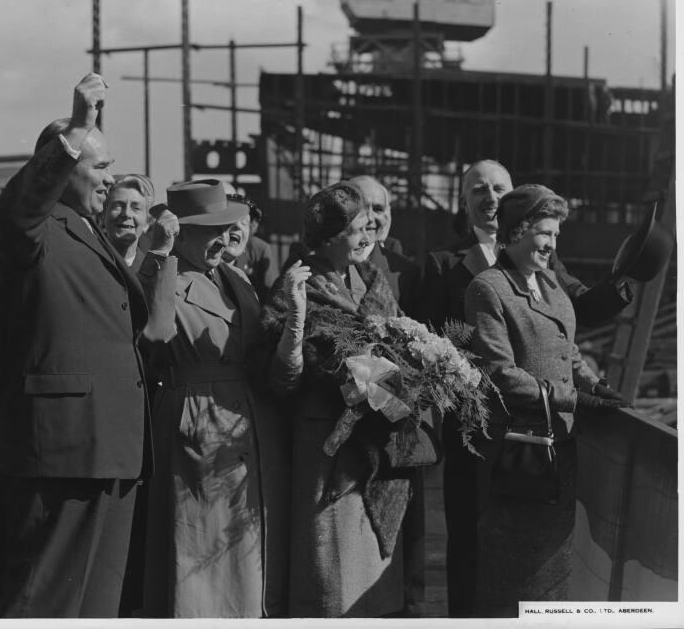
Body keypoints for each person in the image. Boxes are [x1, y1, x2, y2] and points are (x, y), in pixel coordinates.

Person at [414, 159, 633, 617]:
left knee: (545, 567)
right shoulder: (475, 280)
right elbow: (490, 367)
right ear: (515, 230)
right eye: (544, 235)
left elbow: (569, 341)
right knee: (488, 558)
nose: (552, 245)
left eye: (556, 237)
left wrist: (594, 384)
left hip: (554, 442)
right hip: (498, 441)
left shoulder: (549, 277)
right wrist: (577, 398)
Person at [0, 73, 151, 617]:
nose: (111, 179)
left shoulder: (84, 228)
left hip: (106, 447)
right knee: (45, 601)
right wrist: (77, 128)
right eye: (99, 166)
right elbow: (23, 201)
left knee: (94, 602)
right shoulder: (29, 226)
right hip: (61, 450)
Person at [138, 179, 299, 618]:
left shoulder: (236, 276)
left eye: (226, 227)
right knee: (200, 555)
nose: (221, 238)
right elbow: (155, 333)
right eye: (208, 230)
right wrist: (163, 254)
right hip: (197, 421)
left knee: (246, 553)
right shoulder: (163, 275)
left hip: (247, 425)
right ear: (180, 232)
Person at [262, 181, 419, 618]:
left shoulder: (372, 279)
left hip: (377, 447)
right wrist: (295, 321)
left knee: (374, 580)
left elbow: (402, 341)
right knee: (331, 575)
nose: (368, 235)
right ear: (329, 236)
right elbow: (281, 379)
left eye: (371, 226)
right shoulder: (299, 285)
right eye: (357, 229)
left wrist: (409, 380)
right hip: (328, 456)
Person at [347, 175, 420, 317]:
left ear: (387, 215)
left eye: (378, 209)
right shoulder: (317, 263)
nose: (370, 217)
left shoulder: (406, 274)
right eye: (361, 207)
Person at [101, 173, 156, 271]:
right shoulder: (86, 263)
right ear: (103, 213)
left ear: (147, 220)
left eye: (136, 208)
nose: (126, 214)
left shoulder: (153, 272)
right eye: (118, 206)